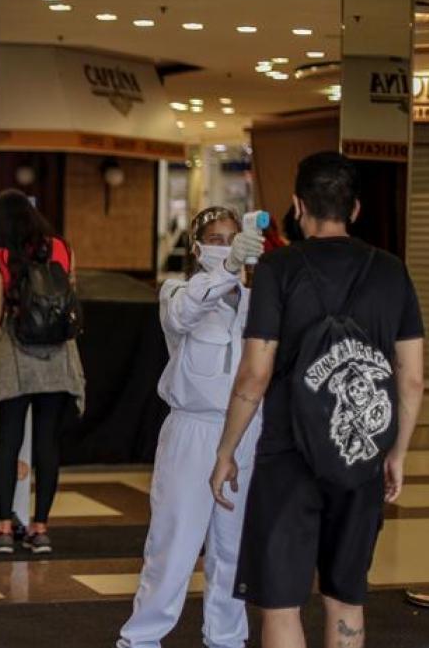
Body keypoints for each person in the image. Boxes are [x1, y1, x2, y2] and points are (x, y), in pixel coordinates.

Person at [210, 151, 425, 648]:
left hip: (288, 455)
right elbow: (411, 378)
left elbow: (254, 375)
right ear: (354, 210)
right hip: (361, 456)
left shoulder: (277, 269)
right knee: (346, 599)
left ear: (297, 205)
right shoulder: (392, 271)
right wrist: (396, 452)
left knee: (282, 604)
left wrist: (226, 451)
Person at [118, 207, 264, 648]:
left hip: (246, 430)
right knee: (174, 542)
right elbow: (182, 316)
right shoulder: (179, 291)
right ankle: (142, 638)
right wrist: (230, 267)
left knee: (234, 547)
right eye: (215, 239)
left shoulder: (260, 299)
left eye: (232, 237)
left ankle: (226, 637)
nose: (224, 245)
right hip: (193, 429)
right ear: (197, 247)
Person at [0, 189, 85, 554]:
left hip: (18, 354)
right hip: (59, 355)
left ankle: (4, 527)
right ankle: (40, 527)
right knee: (47, 442)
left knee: (9, 441)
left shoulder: (0, 256)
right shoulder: (62, 248)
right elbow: (70, 300)